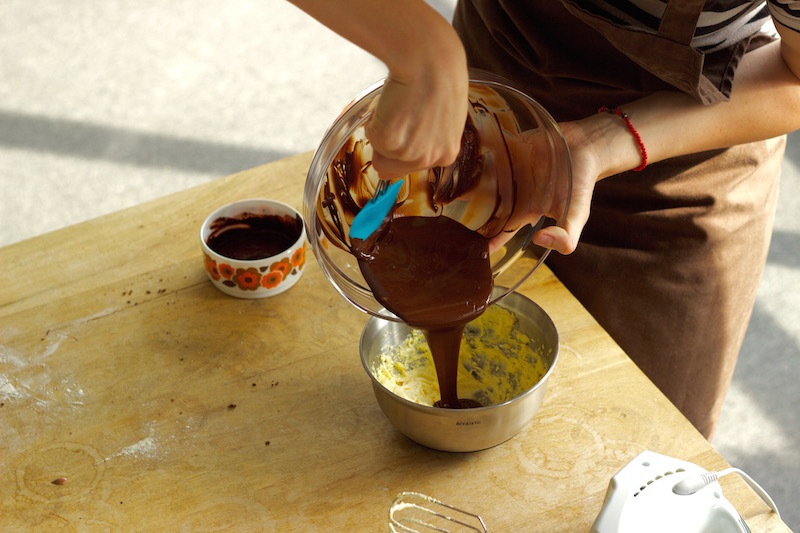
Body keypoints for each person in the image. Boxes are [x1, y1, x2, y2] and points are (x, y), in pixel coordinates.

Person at [290, 0, 800, 440]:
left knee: (643, 451)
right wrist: (418, 44)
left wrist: (607, 139)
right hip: (493, 120)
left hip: (681, 178)